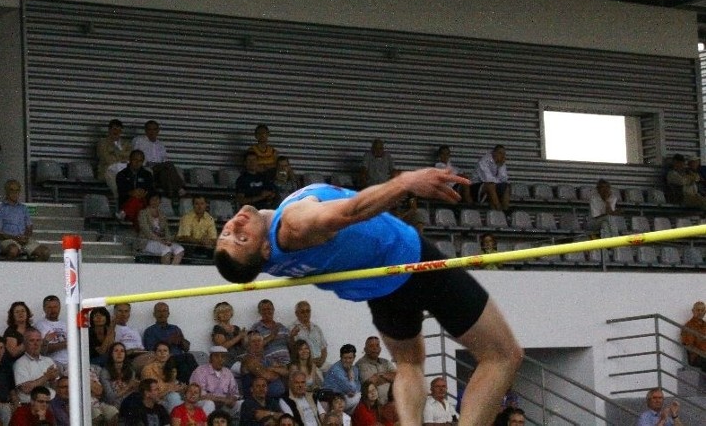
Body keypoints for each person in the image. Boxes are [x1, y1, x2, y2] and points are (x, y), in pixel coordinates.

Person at [213, 167, 522, 426]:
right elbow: (353, 210)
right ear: (265, 250)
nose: (234, 225)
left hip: (380, 290)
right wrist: (406, 182)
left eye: (227, 234)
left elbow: (247, 255)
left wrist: (246, 239)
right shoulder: (295, 224)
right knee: (502, 355)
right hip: (412, 261)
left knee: (409, 364)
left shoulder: (266, 259)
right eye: (241, 238)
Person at [0, 179, 50, 261]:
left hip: (23, 240)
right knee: (13, 250)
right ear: (6, 191)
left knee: (45, 252)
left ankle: (33, 272)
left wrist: (25, 237)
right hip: (8, 240)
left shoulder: (23, 208)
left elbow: (29, 227)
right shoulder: (0, 209)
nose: (15, 193)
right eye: (12, 190)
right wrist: (16, 238)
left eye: (17, 190)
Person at [143, 302, 198, 382]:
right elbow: (150, 349)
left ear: (168, 314)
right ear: (154, 314)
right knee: (187, 358)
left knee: (187, 358)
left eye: (164, 311)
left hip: (180, 358)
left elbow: (186, 348)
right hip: (164, 359)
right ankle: (196, 382)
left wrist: (180, 341)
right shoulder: (150, 331)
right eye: (159, 311)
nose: (162, 314)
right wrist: (169, 341)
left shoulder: (175, 328)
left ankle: (195, 383)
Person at [131, 120, 187, 199]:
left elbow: (164, 159)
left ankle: (170, 195)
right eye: (149, 129)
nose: (152, 132)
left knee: (165, 172)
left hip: (159, 169)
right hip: (146, 167)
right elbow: (134, 156)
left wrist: (162, 165)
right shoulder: (139, 141)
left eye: (154, 129)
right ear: (145, 130)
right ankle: (180, 188)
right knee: (169, 165)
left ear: (158, 131)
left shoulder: (160, 145)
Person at [191, 346, 241, 417]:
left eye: (223, 357)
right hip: (203, 403)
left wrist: (232, 399)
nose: (220, 359)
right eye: (216, 356)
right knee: (209, 404)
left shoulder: (228, 373)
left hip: (224, 405)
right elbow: (199, 395)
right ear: (210, 359)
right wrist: (221, 399)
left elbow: (235, 393)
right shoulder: (200, 371)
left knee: (241, 404)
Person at [13, 328, 59, 404]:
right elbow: (26, 389)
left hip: (53, 401)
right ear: (25, 344)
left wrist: (53, 379)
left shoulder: (48, 360)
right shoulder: (20, 363)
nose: (36, 343)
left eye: (38, 340)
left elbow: (56, 387)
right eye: (32, 340)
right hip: (32, 405)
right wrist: (46, 377)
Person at [138, 193, 185, 264]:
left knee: (180, 249)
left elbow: (167, 231)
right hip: (147, 241)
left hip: (162, 241)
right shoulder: (143, 213)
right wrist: (160, 241)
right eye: (153, 199)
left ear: (160, 201)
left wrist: (169, 240)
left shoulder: (162, 215)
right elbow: (146, 231)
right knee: (166, 249)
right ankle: (164, 273)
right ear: (149, 201)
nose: (155, 201)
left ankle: (172, 270)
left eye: (157, 199)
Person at [240, 331, 288, 399]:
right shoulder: (248, 360)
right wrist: (278, 373)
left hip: (278, 397)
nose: (257, 344)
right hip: (257, 401)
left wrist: (272, 369)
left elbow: (286, 371)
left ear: (263, 343)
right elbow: (268, 376)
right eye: (253, 341)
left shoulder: (267, 359)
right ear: (248, 345)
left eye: (259, 341)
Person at [141, 341, 186, 412]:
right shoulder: (147, 369)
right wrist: (168, 390)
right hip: (156, 401)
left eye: (165, 351)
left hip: (169, 400)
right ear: (155, 354)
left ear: (169, 354)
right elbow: (150, 395)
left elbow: (173, 387)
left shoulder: (172, 369)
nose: (162, 353)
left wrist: (181, 389)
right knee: (174, 397)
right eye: (159, 351)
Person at [116, 149, 155, 224]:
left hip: (144, 204)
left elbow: (151, 190)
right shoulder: (121, 174)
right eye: (135, 160)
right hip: (127, 202)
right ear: (130, 160)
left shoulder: (147, 175)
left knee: (138, 200)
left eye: (140, 161)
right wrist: (131, 192)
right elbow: (121, 192)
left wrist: (144, 192)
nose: (137, 163)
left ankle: (123, 213)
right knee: (135, 200)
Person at [97, 118, 132, 199]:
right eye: (114, 129)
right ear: (109, 130)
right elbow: (106, 159)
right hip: (108, 170)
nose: (117, 132)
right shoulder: (102, 143)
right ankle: (120, 200)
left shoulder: (126, 144)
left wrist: (114, 153)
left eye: (119, 129)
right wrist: (122, 157)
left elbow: (130, 157)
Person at [355, 337, 395, 406]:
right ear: (365, 349)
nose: (375, 348)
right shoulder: (360, 364)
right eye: (371, 346)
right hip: (373, 407)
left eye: (377, 345)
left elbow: (398, 377)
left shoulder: (386, 362)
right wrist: (389, 377)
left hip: (389, 405)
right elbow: (369, 384)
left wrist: (379, 375)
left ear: (380, 348)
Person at [288, 301, 328, 369]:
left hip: (322, 363)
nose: (305, 314)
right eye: (302, 312)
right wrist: (291, 336)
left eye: (308, 311)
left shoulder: (316, 328)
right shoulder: (291, 329)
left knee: (336, 372)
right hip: (305, 365)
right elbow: (292, 351)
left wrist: (322, 361)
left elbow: (324, 348)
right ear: (296, 314)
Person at [250, 298, 291, 365]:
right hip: (268, 365)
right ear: (259, 312)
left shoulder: (281, 327)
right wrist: (272, 336)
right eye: (264, 309)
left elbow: (291, 347)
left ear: (273, 310)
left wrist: (292, 336)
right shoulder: (255, 328)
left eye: (269, 309)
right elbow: (253, 348)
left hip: (287, 363)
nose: (267, 311)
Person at [101, 342, 141, 409]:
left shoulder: (131, 371)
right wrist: (128, 387)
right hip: (114, 405)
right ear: (111, 354)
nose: (119, 353)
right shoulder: (105, 372)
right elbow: (110, 398)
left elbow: (132, 392)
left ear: (125, 355)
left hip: (131, 402)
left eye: (122, 351)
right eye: (116, 351)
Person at [323, 344, 361, 412]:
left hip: (343, 396)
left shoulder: (355, 369)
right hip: (331, 400)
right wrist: (351, 378)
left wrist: (352, 391)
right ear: (340, 357)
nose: (347, 361)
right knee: (358, 397)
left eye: (350, 358)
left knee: (360, 396)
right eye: (345, 358)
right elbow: (351, 388)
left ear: (354, 357)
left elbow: (358, 386)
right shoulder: (336, 369)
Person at [470, 145, 510, 210]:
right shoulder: (484, 161)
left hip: (492, 186)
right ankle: (499, 210)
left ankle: (506, 212)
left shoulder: (501, 163)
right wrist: (498, 181)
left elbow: (504, 179)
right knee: (491, 186)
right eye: (500, 153)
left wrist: (500, 167)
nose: (503, 156)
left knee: (506, 187)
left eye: (504, 154)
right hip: (476, 187)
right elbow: (488, 179)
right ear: (494, 153)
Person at [36, 295, 69, 369]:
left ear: (59, 308)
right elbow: (43, 349)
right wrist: (66, 344)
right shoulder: (40, 325)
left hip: (70, 362)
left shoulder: (66, 325)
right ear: (44, 309)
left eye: (55, 307)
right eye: (49, 307)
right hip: (52, 363)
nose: (53, 310)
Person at [681, 300, 706, 371]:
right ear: (693, 311)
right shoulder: (688, 327)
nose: (700, 312)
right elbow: (689, 346)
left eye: (702, 310)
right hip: (697, 357)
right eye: (698, 310)